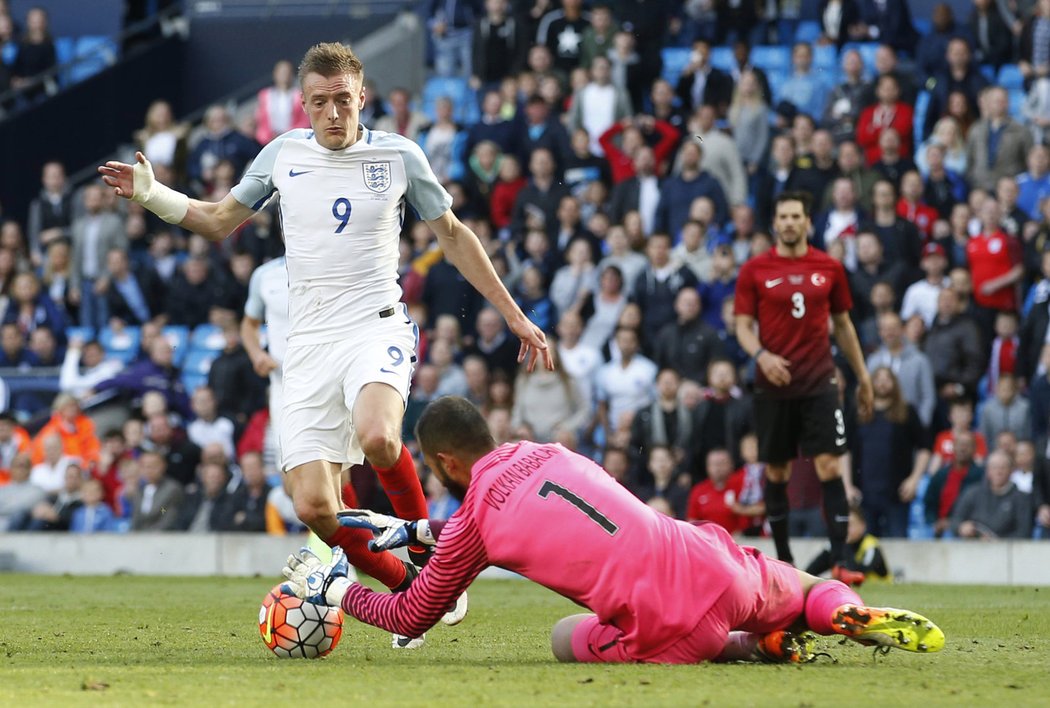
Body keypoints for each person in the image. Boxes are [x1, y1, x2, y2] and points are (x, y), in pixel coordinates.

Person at [99, 42, 549, 647]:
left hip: (376, 325)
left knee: (379, 435)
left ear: (363, 97)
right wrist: (153, 193)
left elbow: (453, 234)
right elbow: (215, 220)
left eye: (343, 100)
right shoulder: (282, 155)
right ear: (303, 106)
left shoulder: (398, 155)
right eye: (320, 103)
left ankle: (432, 560)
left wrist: (515, 315)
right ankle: (409, 586)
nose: (333, 113)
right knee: (314, 507)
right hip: (306, 344)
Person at [283, 396, 945, 664]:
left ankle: (754, 649)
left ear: (445, 464)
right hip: (709, 558)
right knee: (802, 584)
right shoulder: (549, 451)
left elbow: (414, 612)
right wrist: (421, 530)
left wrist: (337, 590)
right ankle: (839, 612)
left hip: (670, 624)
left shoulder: (472, 520)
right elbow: (551, 517)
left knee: (564, 638)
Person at [734, 191, 874, 582]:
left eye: (797, 216)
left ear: (808, 222)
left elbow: (844, 326)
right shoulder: (754, 270)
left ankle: (842, 560)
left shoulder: (829, 267)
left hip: (819, 381)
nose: (791, 222)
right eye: (784, 216)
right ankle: (782, 560)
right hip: (773, 384)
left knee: (830, 464)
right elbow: (742, 325)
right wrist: (760, 355)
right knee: (777, 473)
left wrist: (863, 377)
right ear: (775, 223)